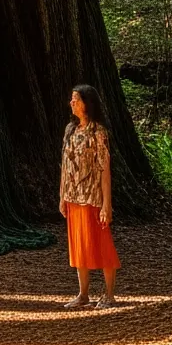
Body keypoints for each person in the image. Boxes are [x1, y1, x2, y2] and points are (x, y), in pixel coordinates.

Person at [59, 84, 120, 308]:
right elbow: (65, 166)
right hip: (73, 196)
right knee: (78, 246)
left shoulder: (98, 133)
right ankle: (83, 294)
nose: (72, 103)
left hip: (93, 196)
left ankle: (109, 295)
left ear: (87, 103)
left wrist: (107, 204)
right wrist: (62, 196)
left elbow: (105, 169)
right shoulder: (70, 130)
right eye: (72, 99)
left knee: (101, 243)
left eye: (76, 99)